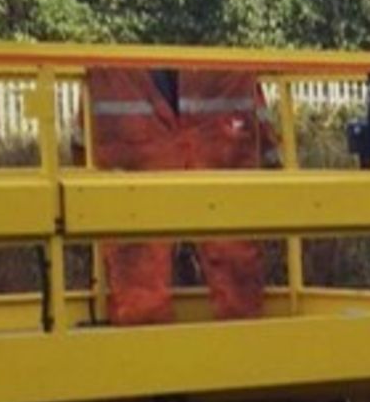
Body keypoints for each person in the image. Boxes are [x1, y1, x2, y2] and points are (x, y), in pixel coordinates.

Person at [83, 64, 274, 325]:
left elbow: (81, 151)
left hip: (135, 205)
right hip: (208, 200)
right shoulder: (232, 68)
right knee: (143, 268)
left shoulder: (108, 74)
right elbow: (269, 151)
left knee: (139, 268)